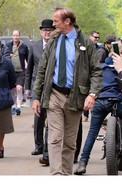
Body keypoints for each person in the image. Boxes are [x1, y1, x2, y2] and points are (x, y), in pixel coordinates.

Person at [32, 7, 103, 175]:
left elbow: (96, 72)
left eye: (56, 21)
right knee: (55, 138)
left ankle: (66, 175)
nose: (53, 24)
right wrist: (36, 97)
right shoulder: (53, 41)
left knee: (70, 142)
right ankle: (56, 175)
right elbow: (42, 70)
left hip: (75, 97)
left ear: (67, 22)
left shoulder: (85, 43)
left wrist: (92, 94)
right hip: (54, 95)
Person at [74, 40, 122, 175]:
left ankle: (83, 163)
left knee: (92, 132)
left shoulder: (101, 66)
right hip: (117, 101)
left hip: (100, 101)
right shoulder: (120, 67)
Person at [25, 19, 55, 155]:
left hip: (53, 85)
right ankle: (39, 145)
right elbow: (29, 68)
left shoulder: (56, 45)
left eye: (49, 30)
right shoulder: (34, 46)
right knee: (38, 116)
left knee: (52, 116)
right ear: (40, 32)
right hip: (37, 85)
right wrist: (27, 87)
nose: (47, 32)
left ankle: (49, 147)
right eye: (44, 30)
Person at [4, 30, 29, 116]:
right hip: (11, 71)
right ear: (12, 36)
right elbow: (5, 57)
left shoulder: (24, 47)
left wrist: (28, 69)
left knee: (19, 88)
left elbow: (28, 59)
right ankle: (14, 106)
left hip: (21, 71)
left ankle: (18, 107)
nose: (15, 37)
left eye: (17, 35)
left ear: (19, 36)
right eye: (14, 35)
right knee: (13, 90)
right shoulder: (8, 46)